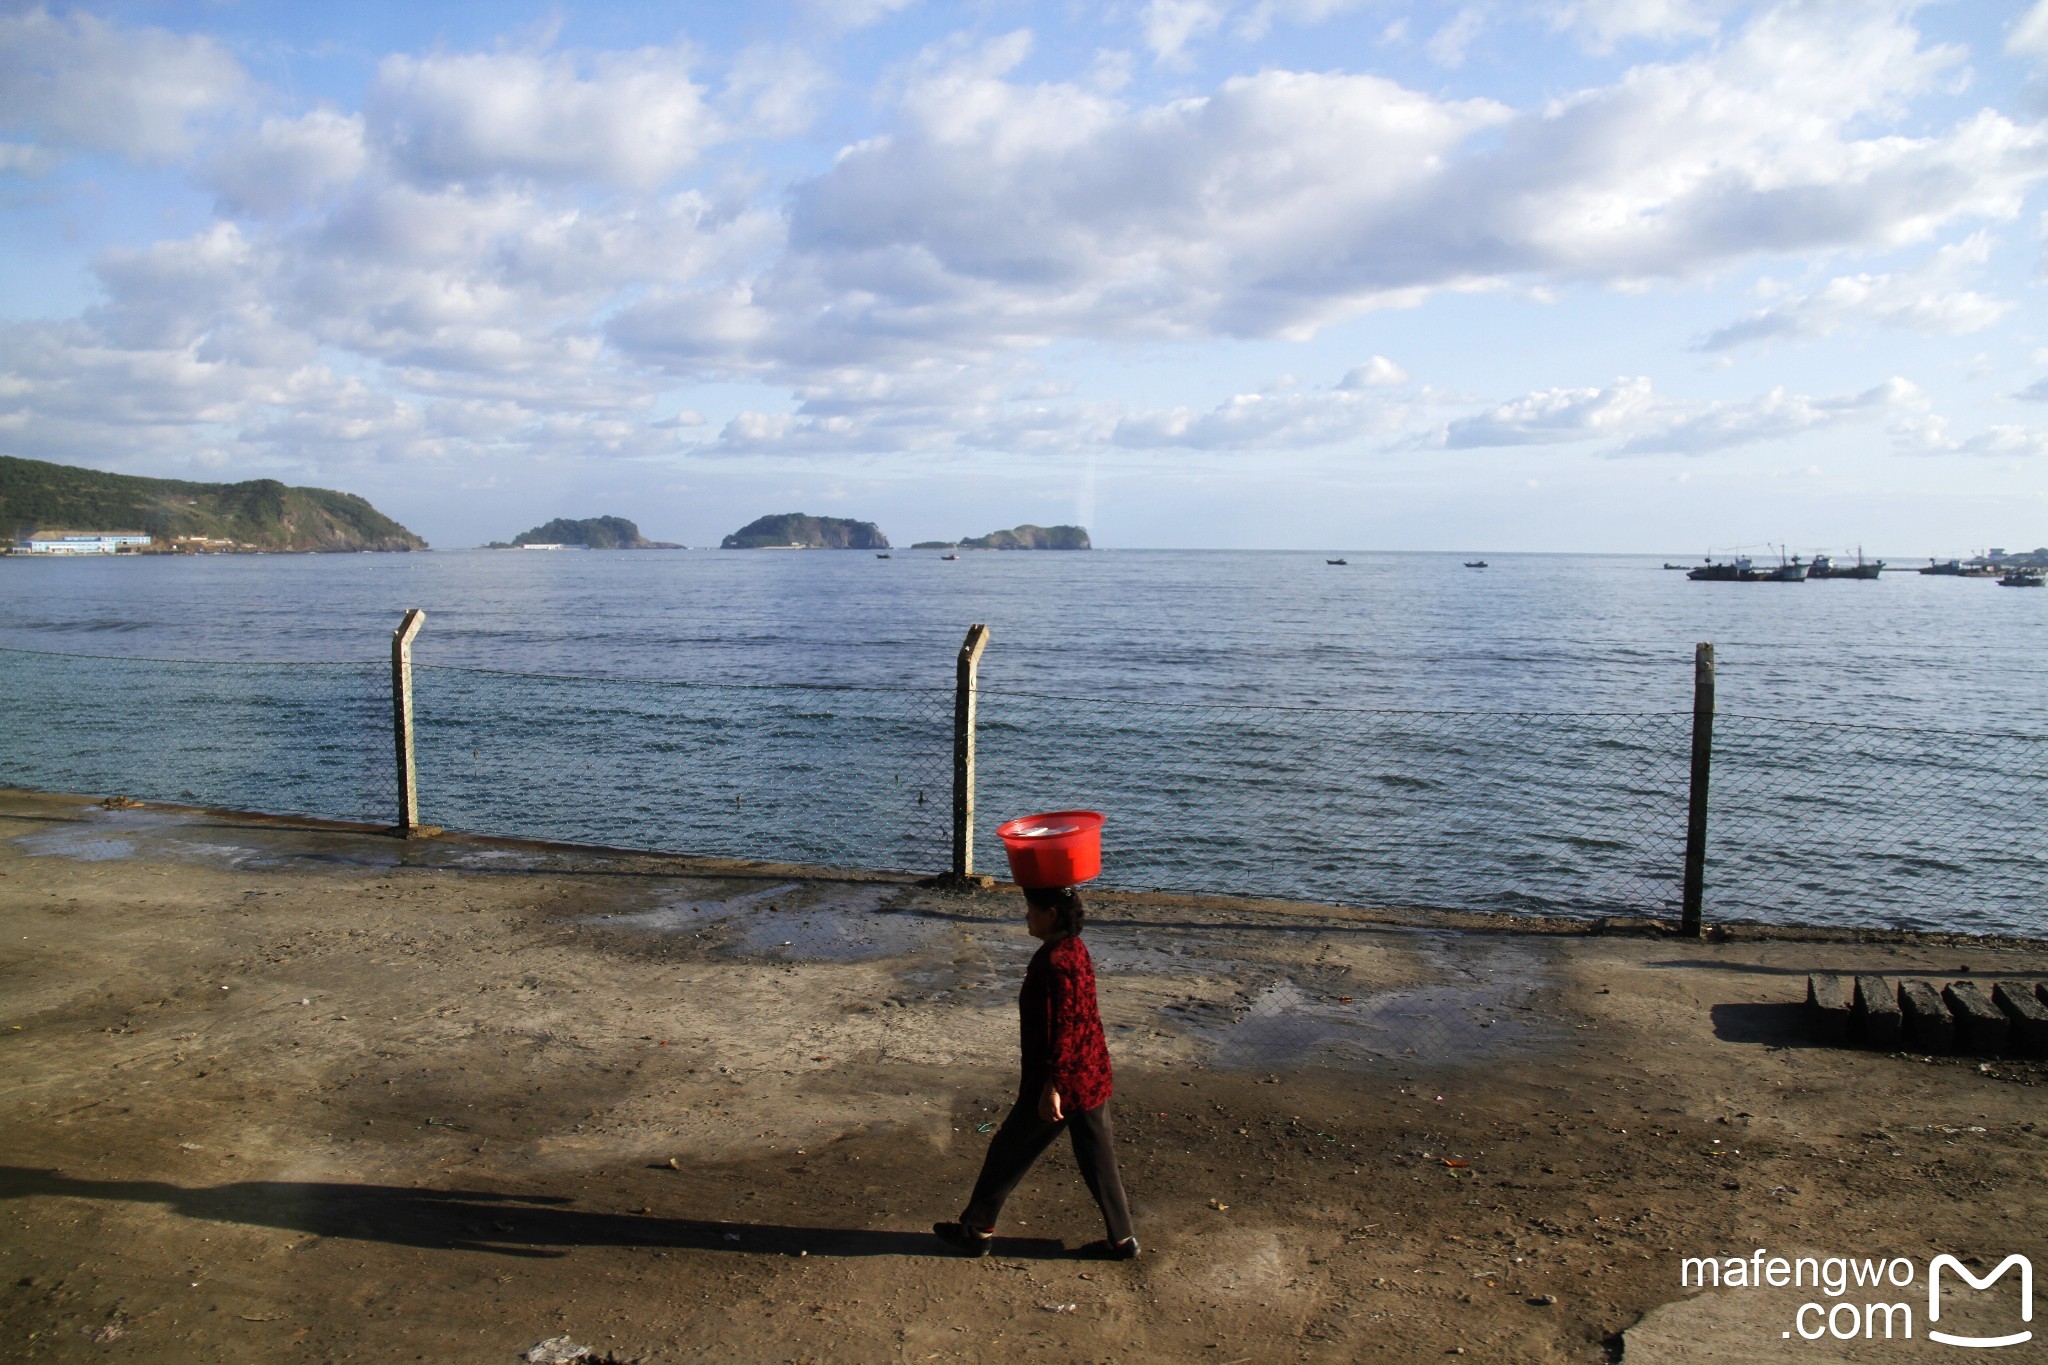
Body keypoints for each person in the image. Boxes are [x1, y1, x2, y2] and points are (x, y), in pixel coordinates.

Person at [933, 884, 1138, 1259]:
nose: (1026, 916)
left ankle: (977, 1229)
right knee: (1098, 1157)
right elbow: (1078, 1022)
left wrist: (1052, 1086)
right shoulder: (1074, 950)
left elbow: (1062, 1026)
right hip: (1090, 1072)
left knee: (1009, 1149)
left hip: (1059, 1079)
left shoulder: (1052, 962)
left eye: (1031, 909)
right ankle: (1122, 1239)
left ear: (1052, 915)